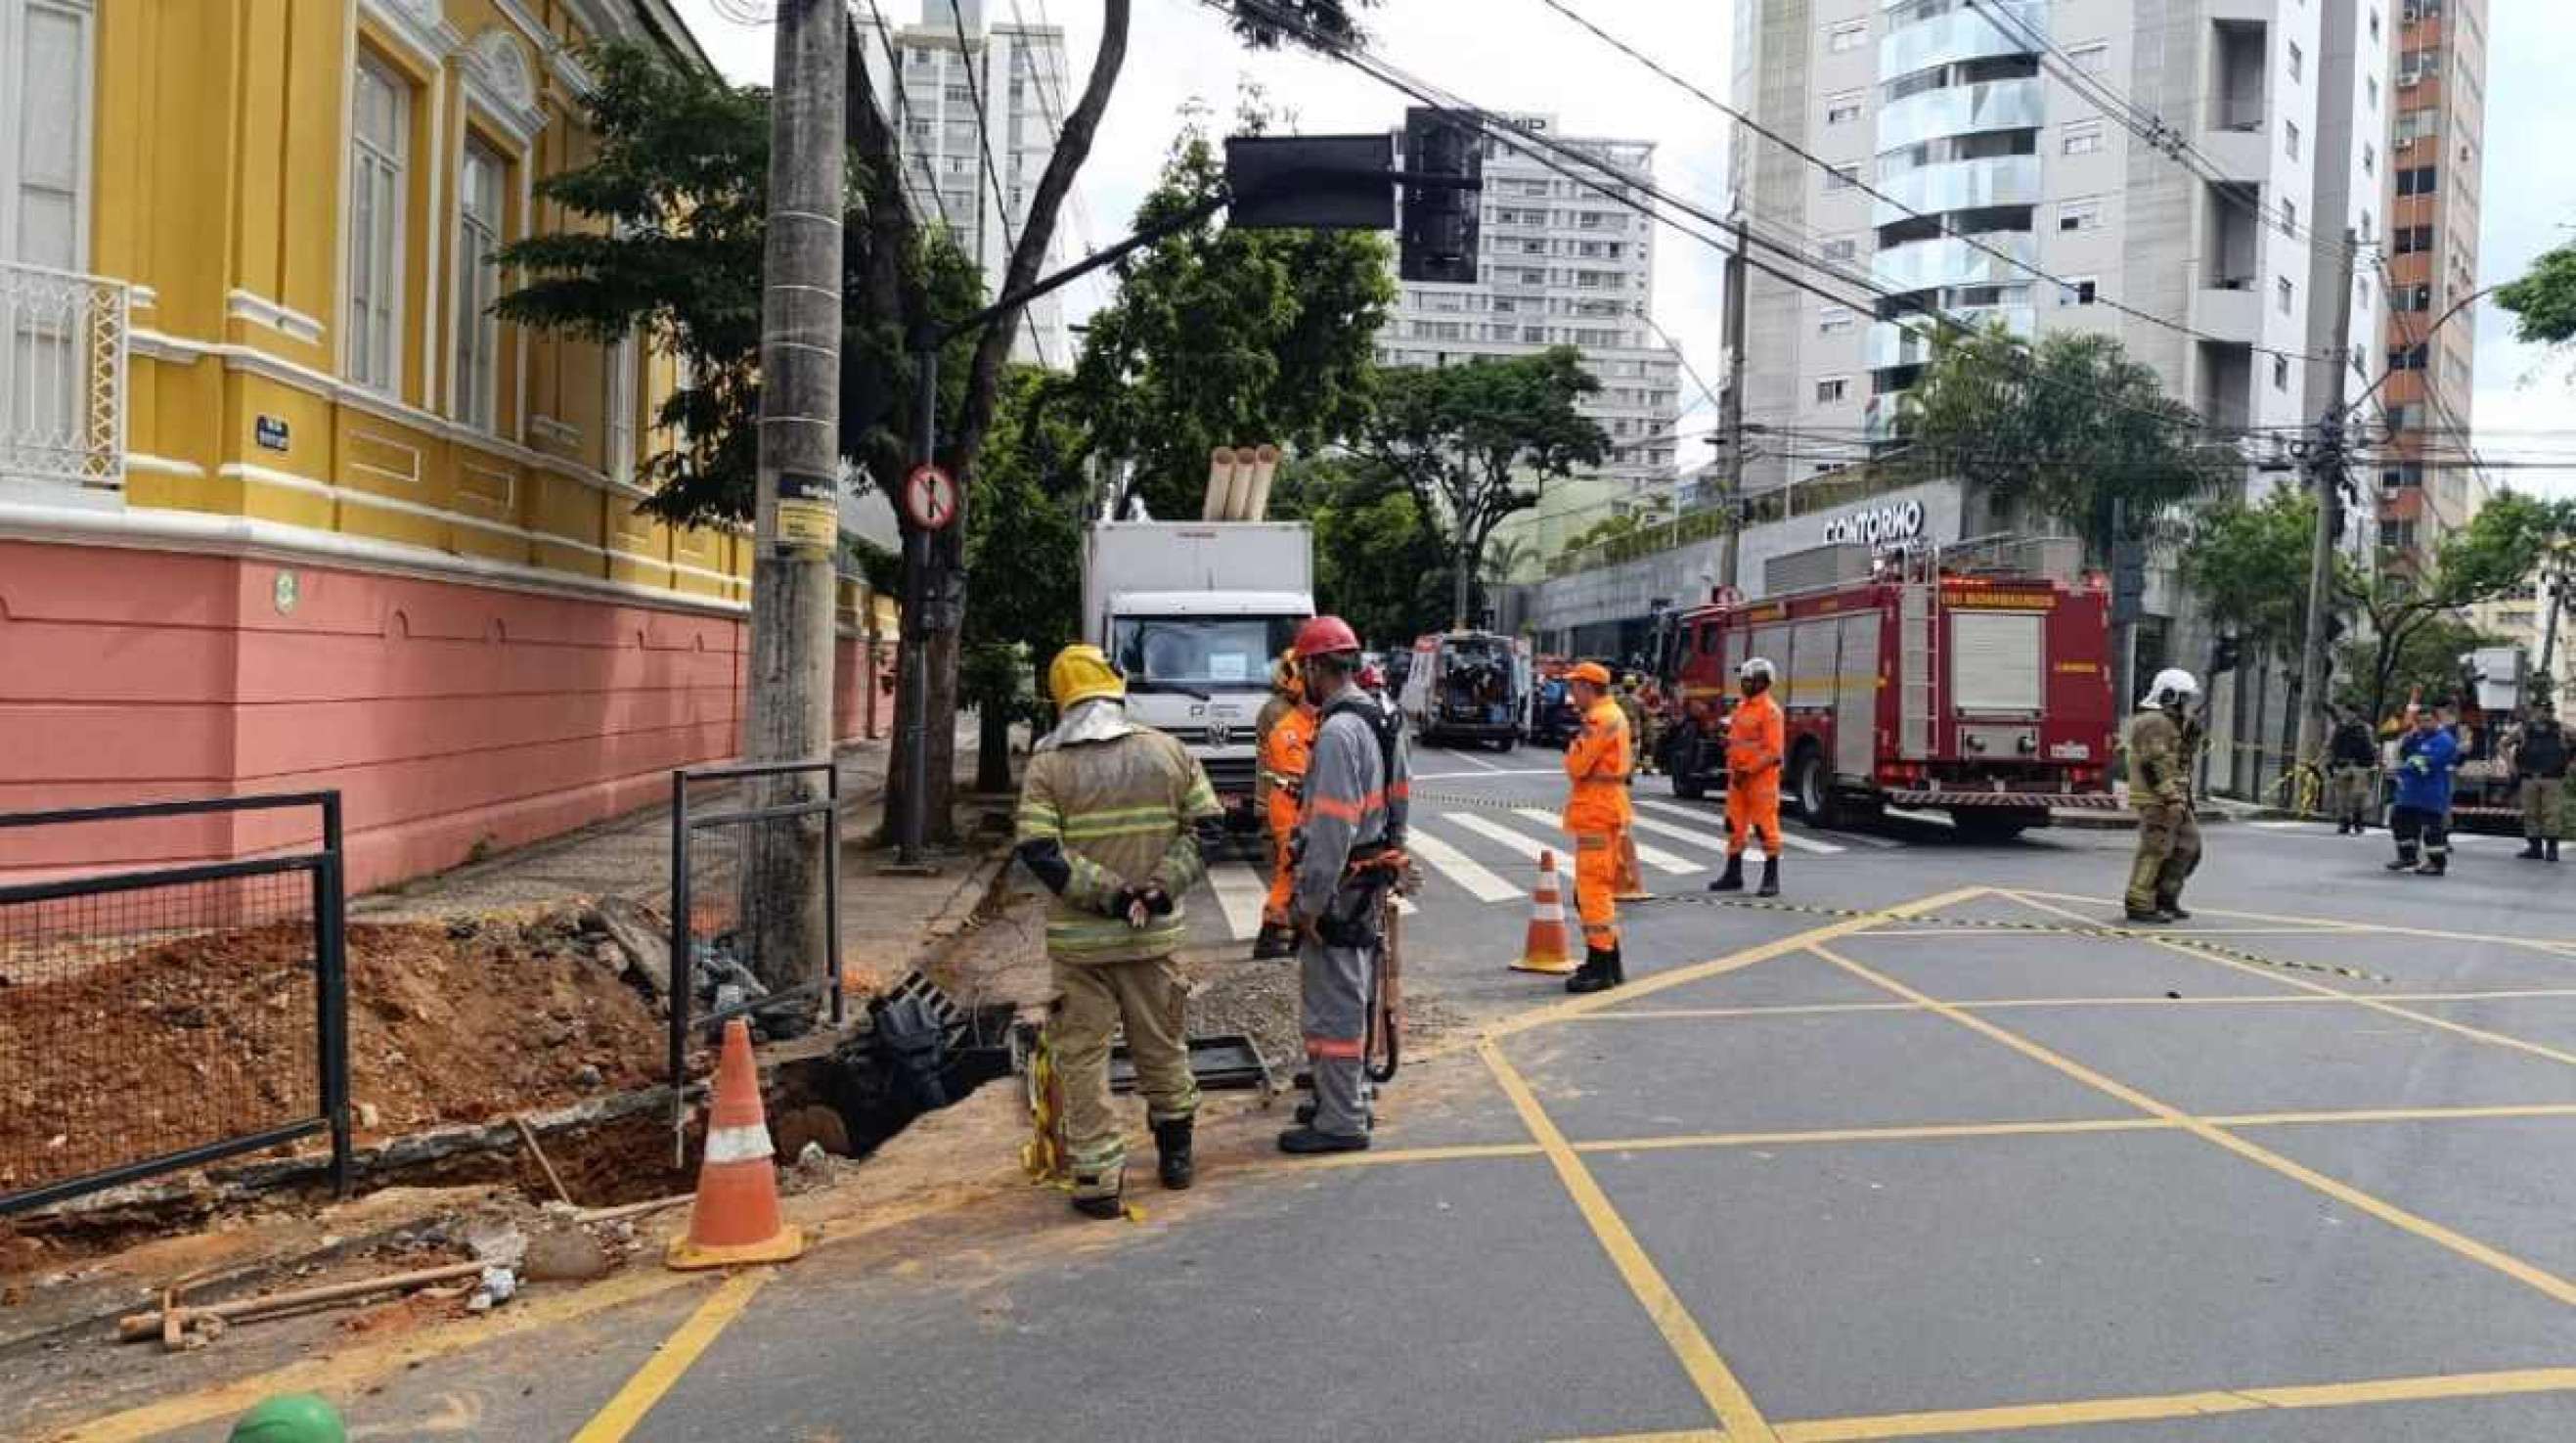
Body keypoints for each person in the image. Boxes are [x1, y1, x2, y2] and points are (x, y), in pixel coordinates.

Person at [1014, 645, 1223, 1218]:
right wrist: (1156, 891)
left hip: (1080, 948)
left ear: (1060, 697)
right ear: (1115, 686)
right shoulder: (1169, 752)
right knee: (1162, 1045)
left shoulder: (1047, 766)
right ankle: (1176, 1157)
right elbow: (1208, 831)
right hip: (1151, 940)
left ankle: (1099, 1178)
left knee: (1081, 1058)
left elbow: (1038, 850)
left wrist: (1108, 894)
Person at [1280, 615, 1409, 1153]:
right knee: (1355, 995)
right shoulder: (1382, 714)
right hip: (1370, 874)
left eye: (1301, 668)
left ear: (1314, 666)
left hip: (1341, 884)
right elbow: (1400, 795)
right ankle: (1347, 1098)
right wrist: (1392, 856)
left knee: (1333, 1004)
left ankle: (1341, 1121)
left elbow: (1332, 826)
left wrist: (1308, 902)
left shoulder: (1336, 731)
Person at [1559, 661, 1632, 994]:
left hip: (1597, 813)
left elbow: (1576, 765)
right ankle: (1607, 962)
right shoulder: (1611, 714)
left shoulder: (1598, 719)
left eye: (1575, 686)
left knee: (1592, 891)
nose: (1572, 693)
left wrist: (1574, 745)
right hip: (1604, 810)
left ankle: (1601, 966)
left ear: (1589, 687)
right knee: (1594, 889)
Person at [2123, 668, 2202, 923]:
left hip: (2176, 799)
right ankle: (2139, 902)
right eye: (2185, 698)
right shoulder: (2153, 722)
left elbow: (2181, 762)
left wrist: (2191, 736)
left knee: (2188, 847)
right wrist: (2170, 796)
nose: (2190, 704)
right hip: (2157, 800)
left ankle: (2165, 899)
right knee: (2155, 850)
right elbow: (2153, 764)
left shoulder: (2174, 724)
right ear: (2171, 696)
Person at [1253, 654, 1317, 958]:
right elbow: (1295, 771)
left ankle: (1283, 931)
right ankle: (1276, 931)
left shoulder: (1287, 713)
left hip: (1287, 803)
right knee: (1291, 869)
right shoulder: (1282, 717)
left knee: (1289, 870)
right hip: (1289, 805)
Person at [1710, 657, 1785, 897]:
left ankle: (1771, 878)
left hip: (1759, 780)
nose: (1743, 684)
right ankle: (1733, 874)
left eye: (1748, 680)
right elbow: (1738, 739)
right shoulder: (1742, 707)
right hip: (1738, 778)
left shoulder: (1770, 712)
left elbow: (1773, 751)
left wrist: (1748, 770)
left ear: (1762, 682)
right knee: (1734, 825)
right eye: (1743, 680)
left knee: (1765, 827)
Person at [2388, 700, 2462, 876]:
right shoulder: (2415, 737)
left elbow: (2427, 763)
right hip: (2409, 792)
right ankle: (2407, 856)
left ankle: (2436, 863)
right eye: (2420, 721)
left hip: (2431, 792)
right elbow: (2402, 754)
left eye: (2428, 720)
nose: (2423, 724)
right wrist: (2406, 746)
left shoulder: (2444, 740)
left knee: (2432, 828)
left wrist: (2406, 764)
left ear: (2437, 721)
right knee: (2400, 822)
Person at [2512, 699, 2568, 861]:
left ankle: (2552, 849)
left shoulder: (2561, 729)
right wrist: (2511, 765)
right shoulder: (2524, 730)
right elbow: (2503, 744)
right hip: (2529, 777)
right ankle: (2535, 847)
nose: (2544, 713)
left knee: (2551, 813)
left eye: (2548, 710)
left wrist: (2570, 762)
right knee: (2530, 813)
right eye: (2541, 710)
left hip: (2552, 777)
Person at [2328, 704, 2379, 834]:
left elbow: (2371, 747)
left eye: (2351, 712)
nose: (2348, 715)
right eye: (2346, 712)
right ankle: (2344, 821)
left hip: (2360, 765)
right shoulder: (2339, 728)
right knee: (2342, 796)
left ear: (2356, 714)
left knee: (2358, 795)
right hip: (2342, 764)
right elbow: (2331, 745)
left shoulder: (2365, 728)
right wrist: (2331, 761)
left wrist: (2373, 762)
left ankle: (2358, 819)